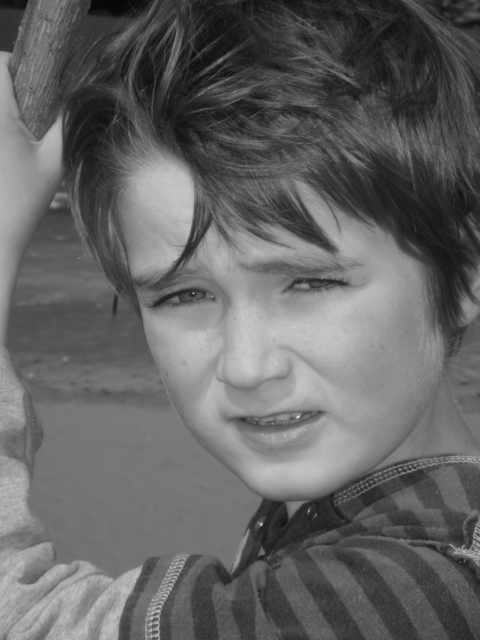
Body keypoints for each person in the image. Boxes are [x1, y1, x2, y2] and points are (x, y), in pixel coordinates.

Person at [1, 0, 480, 637]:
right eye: (183, 296)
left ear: (464, 272)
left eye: (310, 283)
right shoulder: (389, 520)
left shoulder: (411, 592)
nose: (247, 367)